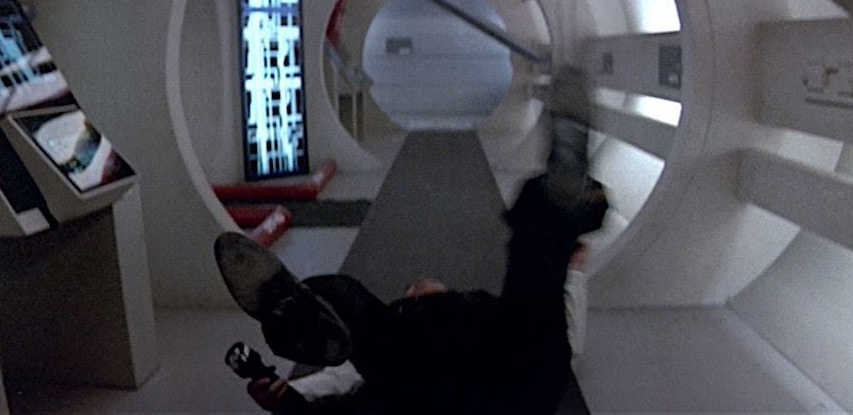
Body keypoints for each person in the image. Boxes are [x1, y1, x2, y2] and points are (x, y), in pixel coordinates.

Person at [215, 68, 605, 414]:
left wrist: (288, 398)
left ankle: (291, 311)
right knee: (535, 293)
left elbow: (338, 379)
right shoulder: (470, 318)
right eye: (417, 290)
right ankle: (557, 205)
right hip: (510, 385)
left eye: (412, 290)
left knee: (352, 308)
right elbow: (557, 326)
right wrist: (571, 273)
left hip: (424, 387)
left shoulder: (400, 334)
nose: (416, 286)